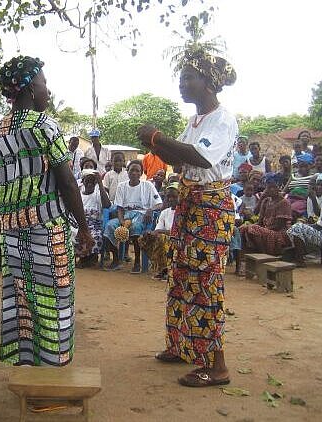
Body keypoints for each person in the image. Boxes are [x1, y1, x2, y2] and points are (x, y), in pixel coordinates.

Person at [137, 50, 237, 387]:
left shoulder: (223, 119)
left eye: (188, 78)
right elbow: (179, 159)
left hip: (210, 210)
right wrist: (155, 144)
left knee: (205, 283)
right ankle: (181, 346)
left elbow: (200, 158)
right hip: (190, 207)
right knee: (180, 276)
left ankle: (217, 365)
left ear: (208, 82)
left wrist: (156, 139)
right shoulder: (194, 121)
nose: (182, 84)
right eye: (181, 78)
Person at [0, 55, 93, 366]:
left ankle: (27, 365)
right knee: (54, 300)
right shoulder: (45, 126)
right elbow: (68, 182)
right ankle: (53, 370)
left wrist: (9, 221)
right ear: (31, 88)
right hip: (48, 232)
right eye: (45, 84)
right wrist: (84, 228)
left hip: (11, 233)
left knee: (22, 301)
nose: (48, 90)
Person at [103, 160, 162, 273]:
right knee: (110, 226)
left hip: (142, 214)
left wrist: (150, 209)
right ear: (128, 172)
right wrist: (121, 221)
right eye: (132, 170)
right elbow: (119, 207)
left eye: (137, 171)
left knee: (136, 227)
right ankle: (116, 260)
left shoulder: (148, 185)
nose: (134, 173)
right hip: (125, 215)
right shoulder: (122, 186)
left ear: (141, 173)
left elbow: (160, 203)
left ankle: (137, 263)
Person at [239, 174, 292, 256]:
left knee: (253, 229)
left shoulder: (284, 202)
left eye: (274, 187)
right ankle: (244, 255)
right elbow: (256, 214)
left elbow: (278, 225)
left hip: (279, 235)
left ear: (279, 188)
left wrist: (260, 229)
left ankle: (264, 253)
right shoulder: (266, 201)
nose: (271, 190)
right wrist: (262, 197)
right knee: (243, 228)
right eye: (269, 187)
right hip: (266, 230)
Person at [138, 182, 179, 280]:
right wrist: (150, 233)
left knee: (161, 238)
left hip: (178, 240)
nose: (170, 199)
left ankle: (166, 269)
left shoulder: (182, 212)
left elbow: (177, 233)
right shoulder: (165, 212)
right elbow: (158, 230)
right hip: (165, 239)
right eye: (168, 196)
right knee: (143, 239)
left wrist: (160, 232)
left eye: (174, 196)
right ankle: (160, 267)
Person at [76, 169, 111, 267]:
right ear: (83, 181)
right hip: (80, 224)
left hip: (95, 225)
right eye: (88, 180)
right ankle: (85, 258)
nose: (90, 183)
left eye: (93, 181)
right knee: (75, 235)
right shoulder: (79, 195)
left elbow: (107, 205)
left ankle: (88, 258)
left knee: (95, 237)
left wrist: (100, 184)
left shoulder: (98, 194)